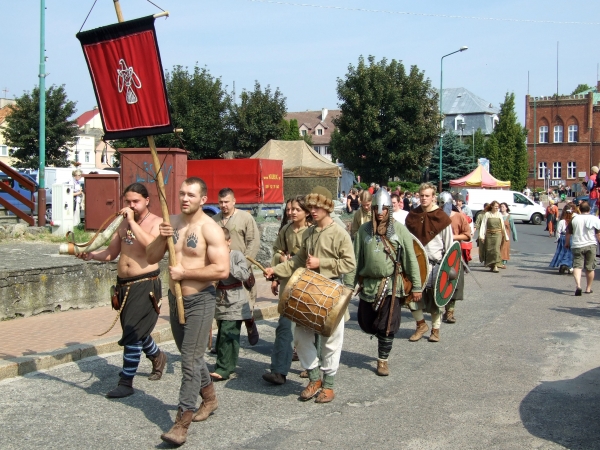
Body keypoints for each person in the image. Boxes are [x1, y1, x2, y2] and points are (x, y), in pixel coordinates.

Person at [147, 177, 229, 446]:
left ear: (203, 199)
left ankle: (182, 422)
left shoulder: (211, 229)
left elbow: (221, 270)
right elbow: (150, 257)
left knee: (190, 361)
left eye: (191, 195)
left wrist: (186, 273)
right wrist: (162, 236)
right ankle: (210, 398)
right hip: (175, 298)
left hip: (200, 301)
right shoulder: (173, 222)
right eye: (182, 193)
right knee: (189, 355)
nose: (184, 199)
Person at [264, 186, 355, 403]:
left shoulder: (340, 233)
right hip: (309, 290)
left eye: (317, 207)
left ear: (327, 208)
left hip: (332, 291)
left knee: (331, 340)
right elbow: (296, 262)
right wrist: (275, 271)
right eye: (311, 207)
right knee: (300, 336)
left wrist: (320, 263)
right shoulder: (310, 232)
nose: (312, 210)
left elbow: (349, 263)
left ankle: (329, 385)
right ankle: (314, 377)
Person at [78, 183, 165, 398]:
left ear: (147, 200)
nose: (131, 205)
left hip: (145, 283)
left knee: (133, 331)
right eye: (128, 201)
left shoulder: (157, 223)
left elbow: (151, 247)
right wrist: (91, 255)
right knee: (134, 329)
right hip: (124, 284)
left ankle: (126, 381)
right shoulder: (123, 223)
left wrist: (133, 223)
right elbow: (111, 252)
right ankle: (157, 356)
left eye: (135, 201)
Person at [345, 188, 422, 376]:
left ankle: (382, 360)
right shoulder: (364, 231)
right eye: (376, 209)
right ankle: (381, 343)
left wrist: (417, 285)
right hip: (369, 284)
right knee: (366, 322)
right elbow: (355, 260)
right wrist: (348, 286)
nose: (380, 213)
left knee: (387, 325)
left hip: (391, 285)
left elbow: (411, 258)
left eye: (384, 209)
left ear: (389, 209)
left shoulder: (399, 229)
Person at [263, 195, 311, 385]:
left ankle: (312, 368)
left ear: (306, 212)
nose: (291, 212)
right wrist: (277, 273)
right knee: (284, 328)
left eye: (296, 209)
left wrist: (295, 260)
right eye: (289, 209)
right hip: (287, 285)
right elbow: (276, 251)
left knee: (309, 329)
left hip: (307, 286)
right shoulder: (285, 230)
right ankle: (278, 371)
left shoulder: (312, 232)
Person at [404, 183, 453, 342]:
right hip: (415, 263)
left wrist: (448, 266)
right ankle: (421, 325)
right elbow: (406, 241)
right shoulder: (412, 216)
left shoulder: (442, 218)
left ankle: (436, 330)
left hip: (435, 264)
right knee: (411, 296)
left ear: (433, 197)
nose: (424, 198)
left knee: (434, 299)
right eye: (422, 195)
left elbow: (450, 245)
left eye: (427, 195)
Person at [213, 188, 261, 345]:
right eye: (220, 202)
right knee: (223, 305)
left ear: (234, 201)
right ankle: (224, 341)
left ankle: (250, 323)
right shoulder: (214, 220)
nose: (223, 205)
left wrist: (244, 265)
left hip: (241, 268)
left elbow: (253, 242)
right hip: (221, 270)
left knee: (245, 303)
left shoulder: (245, 218)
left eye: (226, 202)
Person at [210, 227, 252, 381]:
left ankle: (224, 368)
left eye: (222, 243)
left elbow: (244, 274)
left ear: (229, 242)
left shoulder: (236, 255)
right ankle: (226, 363)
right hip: (219, 299)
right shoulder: (211, 256)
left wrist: (226, 261)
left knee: (229, 332)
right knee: (222, 333)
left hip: (235, 300)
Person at [441, 193, 471, 324]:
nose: (443, 206)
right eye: (440, 203)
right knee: (438, 283)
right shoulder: (436, 217)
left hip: (453, 254)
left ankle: (449, 312)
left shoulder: (459, 217)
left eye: (445, 203)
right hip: (438, 253)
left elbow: (467, 235)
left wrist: (452, 237)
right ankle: (436, 310)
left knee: (453, 282)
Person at [565, 201, 600, 295]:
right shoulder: (594, 219)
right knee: (590, 267)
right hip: (591, 244)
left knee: (577, 266)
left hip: (577, 244)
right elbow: (598, 233)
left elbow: (568, 232)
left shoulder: (574, 219)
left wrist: (567, 243)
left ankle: (578, 285)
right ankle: (588, 288)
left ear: (579, 209)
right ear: (589, 209)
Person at [479, 201, 509, 273]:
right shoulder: (487, 214)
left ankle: (496, 265)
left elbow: (502, 226)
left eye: (497, 207)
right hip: (489, 235)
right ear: (492, 206)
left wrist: (506, 236)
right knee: (489, 250)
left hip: (498, 234)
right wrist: (482, 236)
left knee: (496, 249)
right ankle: (491, 265)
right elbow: (483, 225)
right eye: (495, 206)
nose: (497, 208)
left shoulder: (499, 215)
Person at [550, 204, 577, 274]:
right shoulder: (573, 221)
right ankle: (569, 266)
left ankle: (562, 264)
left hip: (562, 238)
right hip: (570, 237)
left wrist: (557, 239)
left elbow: (558, 231)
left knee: (562, 252)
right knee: (570, 253)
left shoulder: (562, 221)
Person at [499, 202, 518, 269]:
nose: (501, 208)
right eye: (501, 206)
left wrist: (515, 236)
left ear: (506, 208)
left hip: (506, 234)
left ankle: (503, 262)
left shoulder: (509, 217)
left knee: (505, 248)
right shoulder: (498, 215)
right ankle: (498, 262)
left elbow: (513, 227)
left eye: (503, 206)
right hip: (499, 234)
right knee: (498, 247)